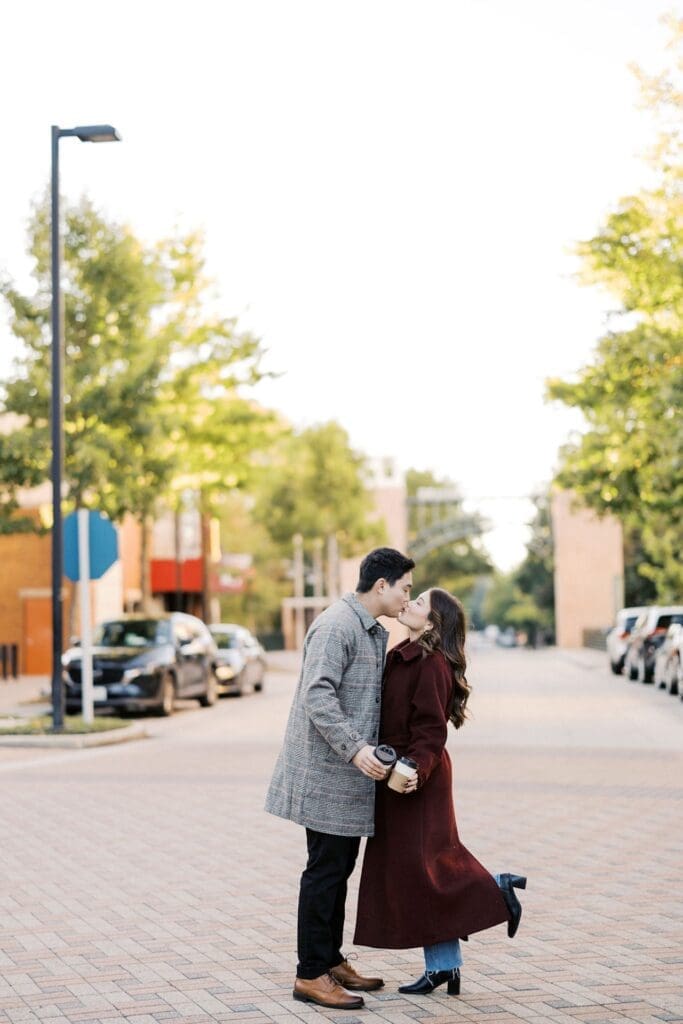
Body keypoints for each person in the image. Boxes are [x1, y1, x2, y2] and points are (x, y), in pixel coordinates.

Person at [353, 587, 527, 996]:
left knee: (426, 869)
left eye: (418, 603)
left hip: (417, 778)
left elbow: (432, 730)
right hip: (400, 773)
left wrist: (414, 770)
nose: (408, 604)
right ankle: (445, 966)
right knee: (425, 870)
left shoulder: (429, 663)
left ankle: (495, 888)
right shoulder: (401, 653)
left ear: (431, 623)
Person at [265, 547, 415, 1010]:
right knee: (324, 872)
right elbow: (318, 696)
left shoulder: (370, 628)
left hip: (347, 777)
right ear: (381, 585)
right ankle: (310, 973)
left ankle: (330, 959)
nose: (409, 598)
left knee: (339, 869)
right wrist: (358, 749)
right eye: (406, 588)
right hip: (327, 773)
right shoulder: (337, 625)